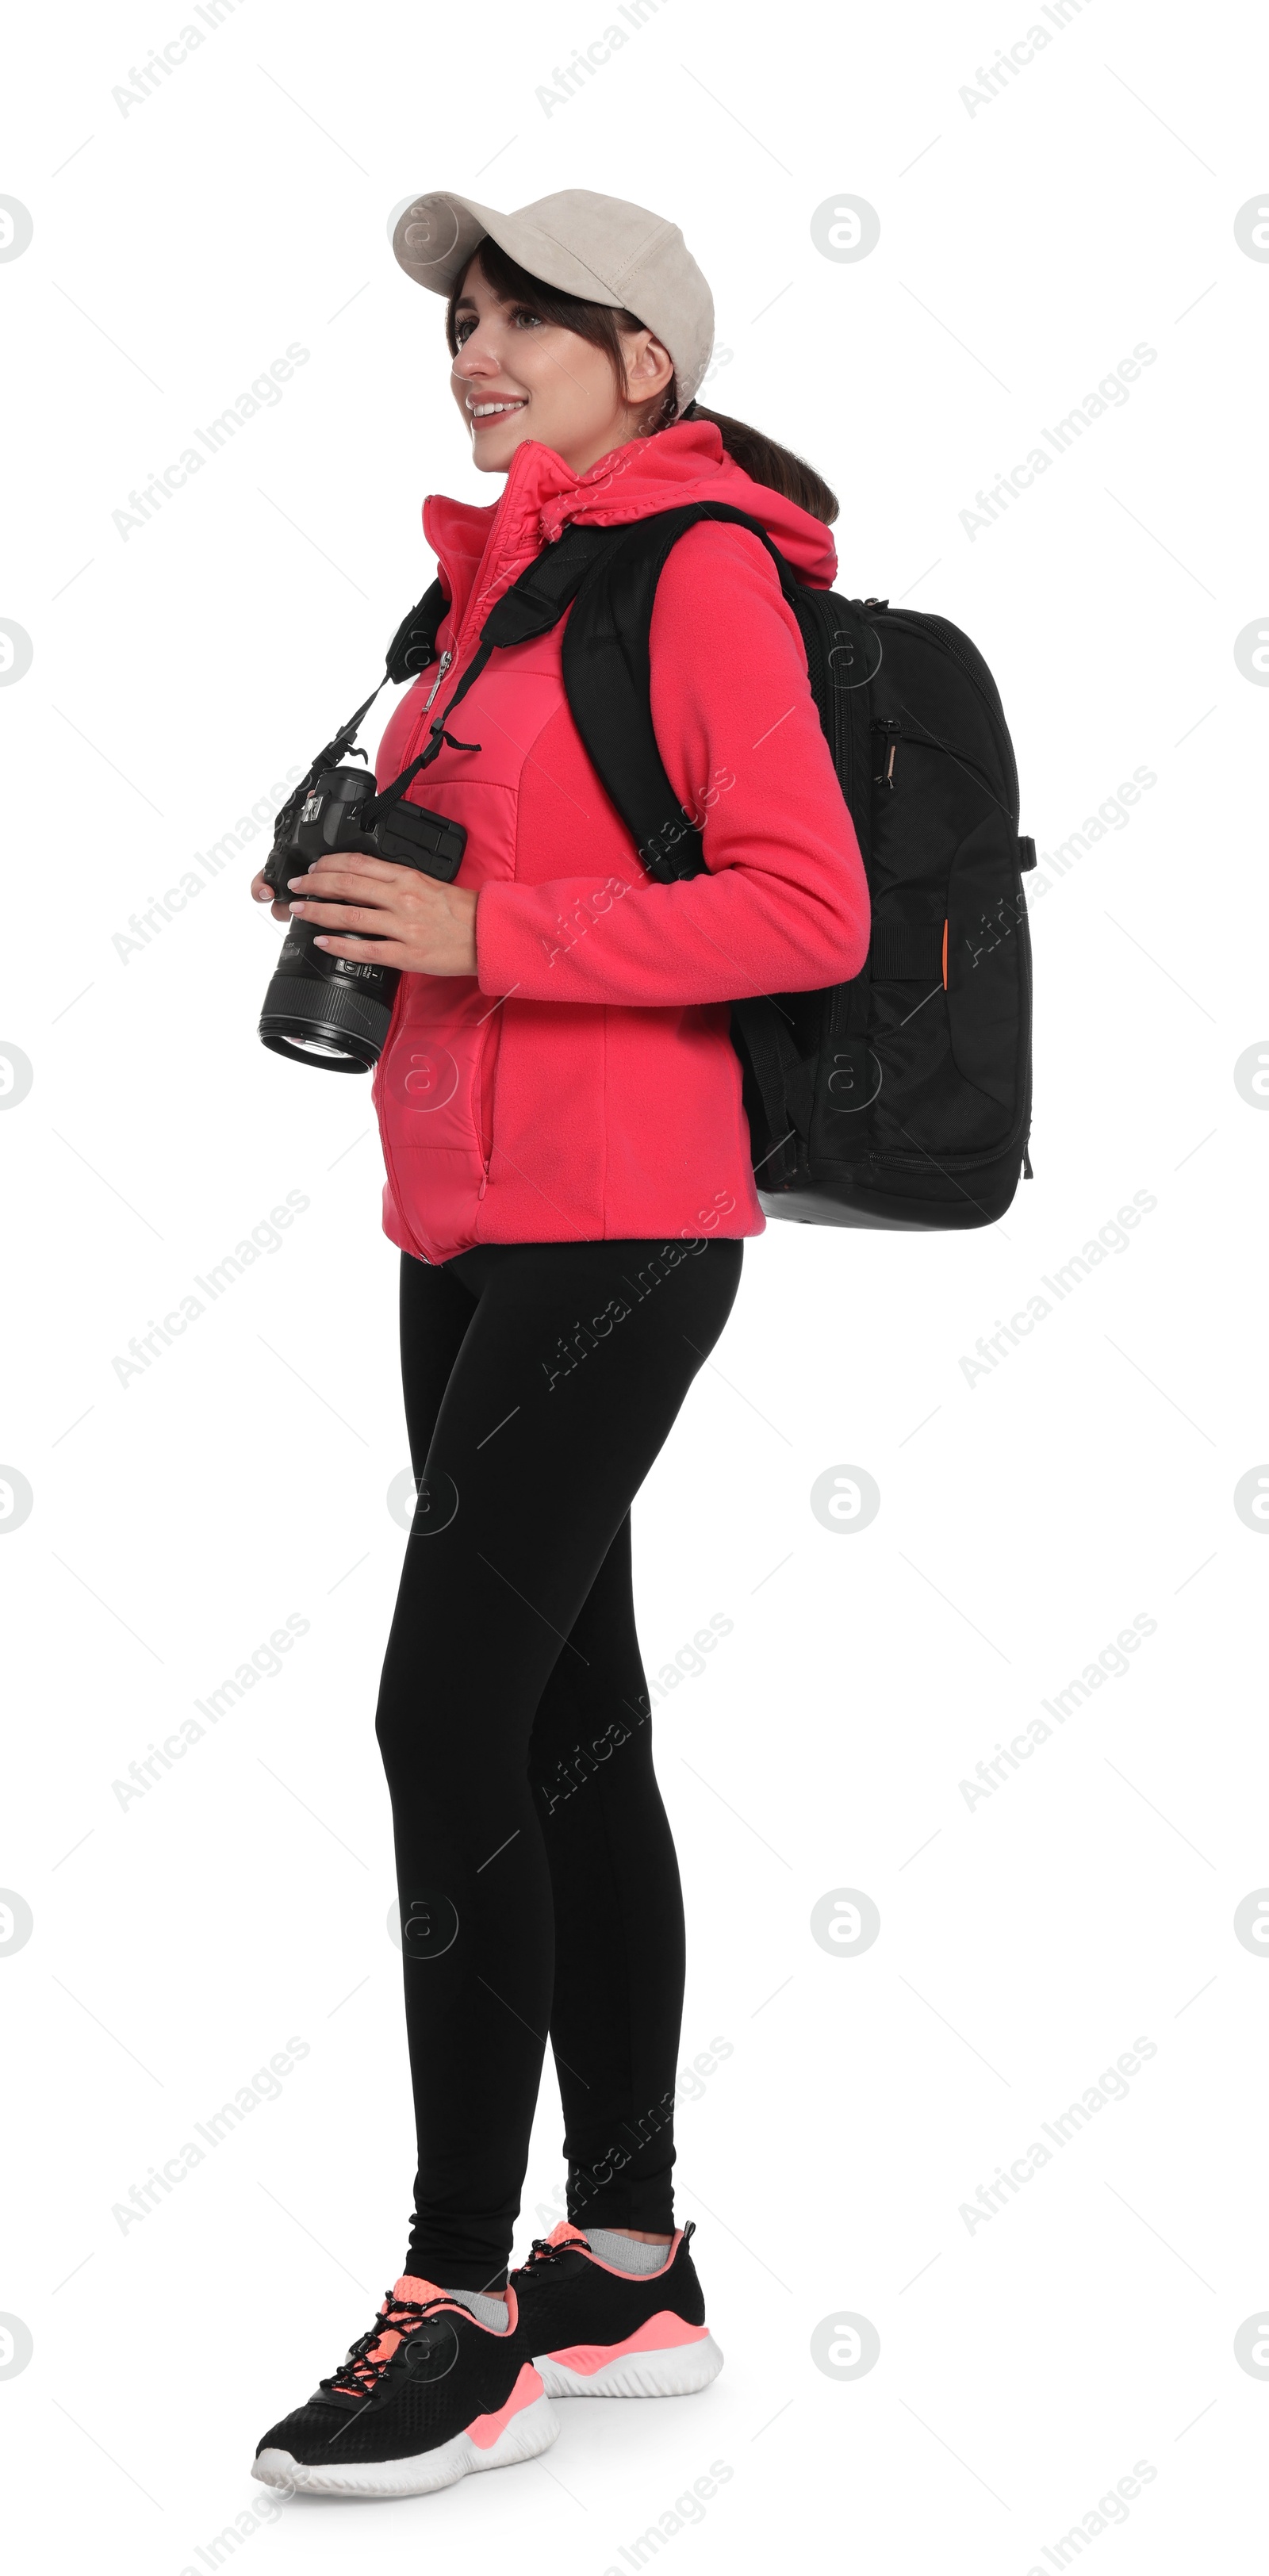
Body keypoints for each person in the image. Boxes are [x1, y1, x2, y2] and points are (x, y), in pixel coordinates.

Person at [249, 187, 869, 2500]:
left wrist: (483, 921)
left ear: (652, 362)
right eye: (467, 320)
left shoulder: (697, 570)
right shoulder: (489, 592)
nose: (480, 349)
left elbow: (795, 904)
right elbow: (503, 877)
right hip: (469, 1215)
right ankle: (627, 2259)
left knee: (442, 1712)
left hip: (623, 1218)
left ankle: (463, 2306)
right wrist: (367, 888)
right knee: (570, 1726)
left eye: (529, 319)